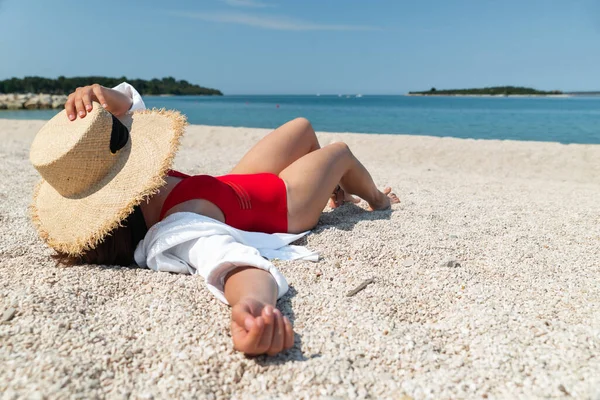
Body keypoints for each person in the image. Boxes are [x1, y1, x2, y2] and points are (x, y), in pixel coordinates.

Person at [29, 83, 399, 356]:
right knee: (340, 152)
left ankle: (335, 191)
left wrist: (108, 96)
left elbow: (130, 116)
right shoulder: (179, 228)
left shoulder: (144, 190)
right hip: (285, 202)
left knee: (301, 127)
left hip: (235, 185)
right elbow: (231, 263)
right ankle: (376, 199)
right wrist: (252, 305)